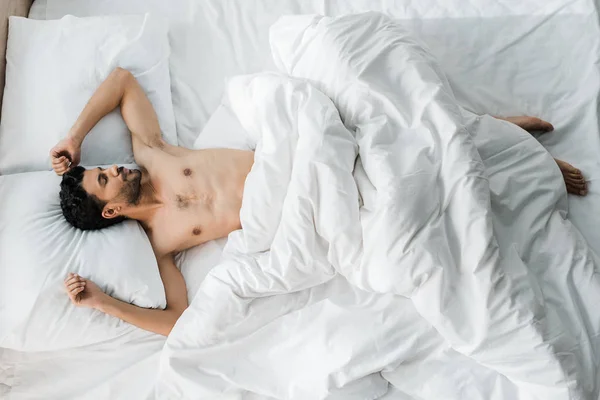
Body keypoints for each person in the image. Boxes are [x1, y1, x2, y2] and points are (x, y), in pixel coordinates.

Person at [53, 68, 587, 337]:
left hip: (305, 159)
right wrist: (102, 303)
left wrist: (75, 139)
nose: (116, 168)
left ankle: (497, 138)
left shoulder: (152, 150)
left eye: (104, 167)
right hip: (304, 215)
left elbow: (121, 81)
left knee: (399, 142)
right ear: (110, 211)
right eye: (105, 178)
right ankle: (521, 170)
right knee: (413, 211)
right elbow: (178, 321)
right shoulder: (162, 246)